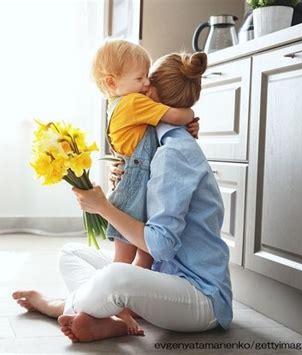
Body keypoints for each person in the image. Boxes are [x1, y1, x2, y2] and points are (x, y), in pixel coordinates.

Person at [12, 51, 233, 343]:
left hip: (199, 297)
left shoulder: (174, 154)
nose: (139, 87)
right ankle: (110, 317)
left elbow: (161, 246)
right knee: (71, 253)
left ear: (150, 96)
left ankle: (58, 306)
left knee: (116, 276)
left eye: (145, 80)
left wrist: (102, 207)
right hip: (162, 279)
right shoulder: (157, 144)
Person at [90, 39, 199, 332]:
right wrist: (189, 114)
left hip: (133, 183)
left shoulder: (116, 105)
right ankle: (114, 307)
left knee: (138, 256)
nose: (146, 82)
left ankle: (122, 307)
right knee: (130, 258)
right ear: (113, 82)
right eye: (140, 78)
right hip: (136, 187)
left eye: (147, 75)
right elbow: (174, 115)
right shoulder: (135, 102)